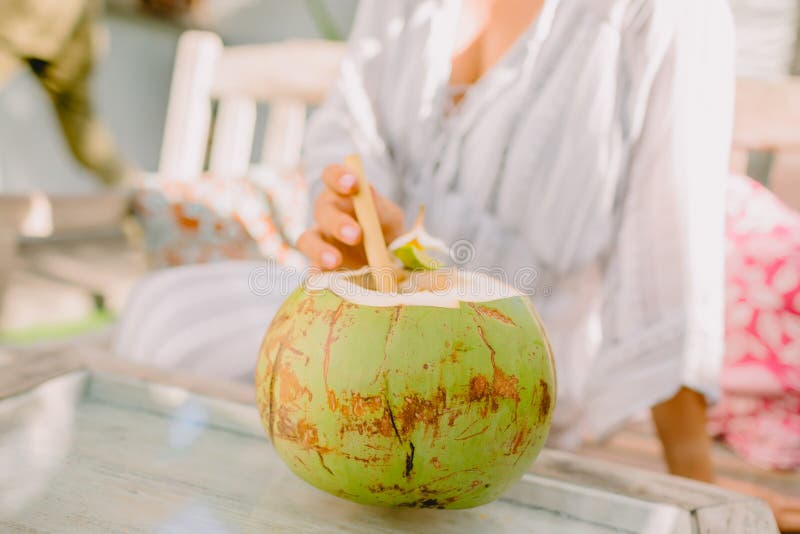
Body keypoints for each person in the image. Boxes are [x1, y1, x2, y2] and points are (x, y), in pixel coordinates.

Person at [0, 0, 129, 185]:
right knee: (80, 121)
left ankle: (133, 189)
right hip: (71, 17)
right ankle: (133, 187)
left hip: (22, 17)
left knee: (82, 124)